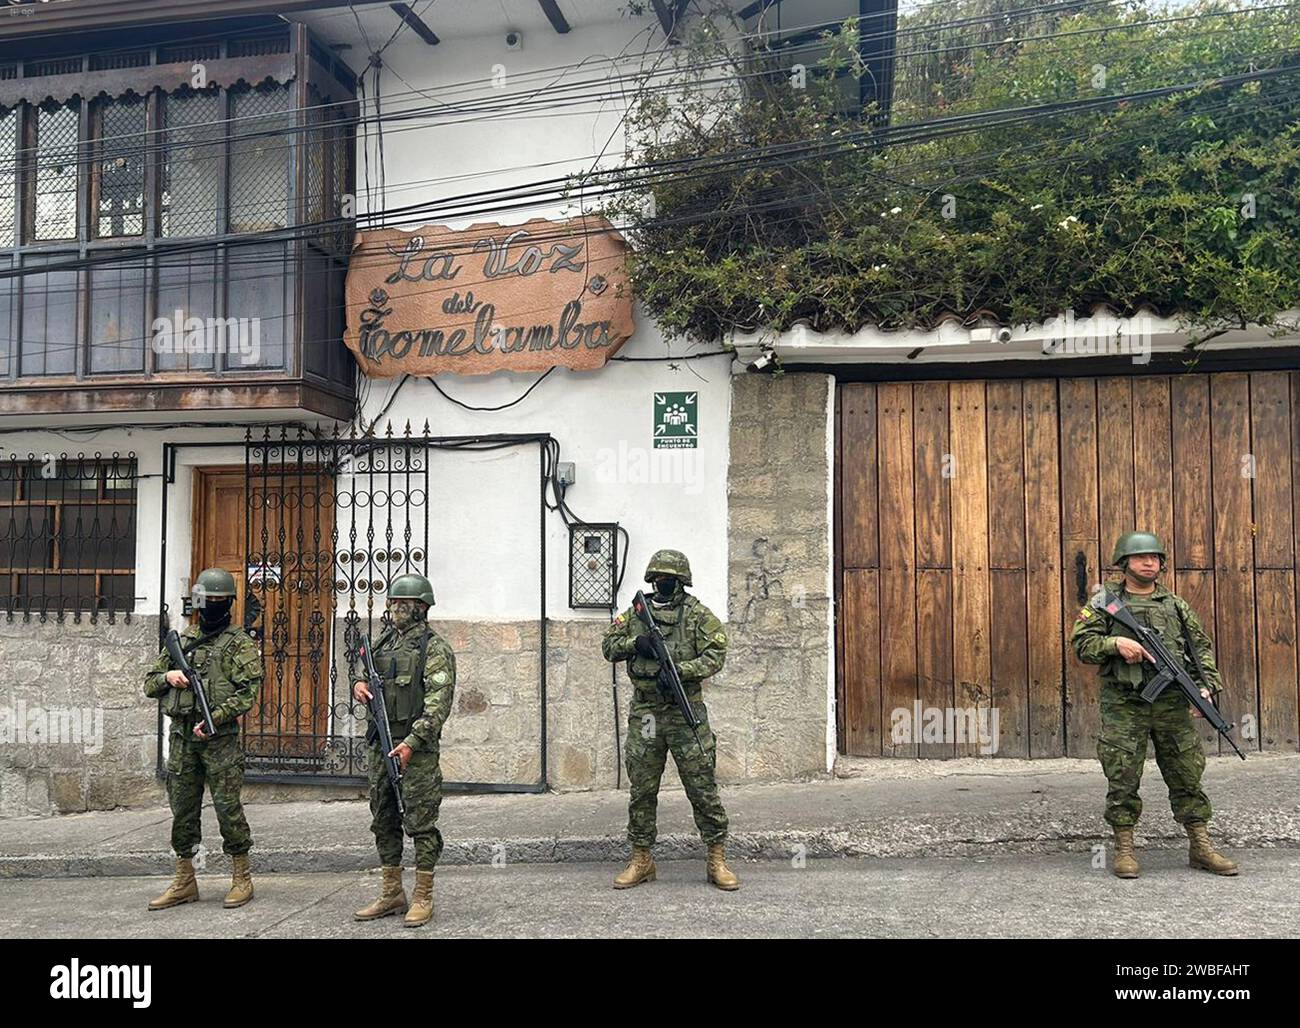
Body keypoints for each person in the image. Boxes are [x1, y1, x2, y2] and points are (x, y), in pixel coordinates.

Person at [1070, 532, 1239, 878]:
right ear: (1124, 563)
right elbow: (1082, 643)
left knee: (1187, 774)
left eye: (1155, 557)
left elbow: (1199, 649)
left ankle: (1200, 845)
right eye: (1140, 557)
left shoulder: (1175, 605)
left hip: (1172, 704)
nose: (1149, 563)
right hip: (1124, 704)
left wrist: (1205, 689)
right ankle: (1125, 848)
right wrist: (1116, 643)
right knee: (1122, 776)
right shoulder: (1105, 602)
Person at [601, 549, 738, 890]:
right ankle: (642, 859)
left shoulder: (697, 615)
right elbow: (608, 646)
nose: (663, 584)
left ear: (681, 582)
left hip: (684, 710)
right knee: (643, 790)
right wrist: (638, 643)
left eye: (670, 580)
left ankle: (716, 858)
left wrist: (682, 670)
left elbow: (716, 654)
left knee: (702, 787)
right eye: (659, 579)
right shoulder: (636, 613)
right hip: (646, 713)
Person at [143, 567, 263, 910]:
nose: (211, 605)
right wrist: (170, 675)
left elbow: (248, 693)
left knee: (228, 810)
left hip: (219, 740)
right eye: (206, 600)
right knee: (182, 810)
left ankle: (242, 878)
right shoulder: (184, 639)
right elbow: (149, 683)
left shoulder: (239, 643)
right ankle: (185, 880)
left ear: (229, 604)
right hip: (182, 738)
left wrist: (218, 718)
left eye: (218, 600)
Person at [352, 573, 456, 927]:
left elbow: (438, 705)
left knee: (421, 822)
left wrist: (412, 743)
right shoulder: (380, 644)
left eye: (403, 604)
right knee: (383, 817)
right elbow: (360, 670)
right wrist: (359, 684)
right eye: (393, 602)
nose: (395, 609)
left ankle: (423, 895)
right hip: (380, 744)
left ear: (421, 608)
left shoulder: (434, 649)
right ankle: (392, 892)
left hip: (416, 749)